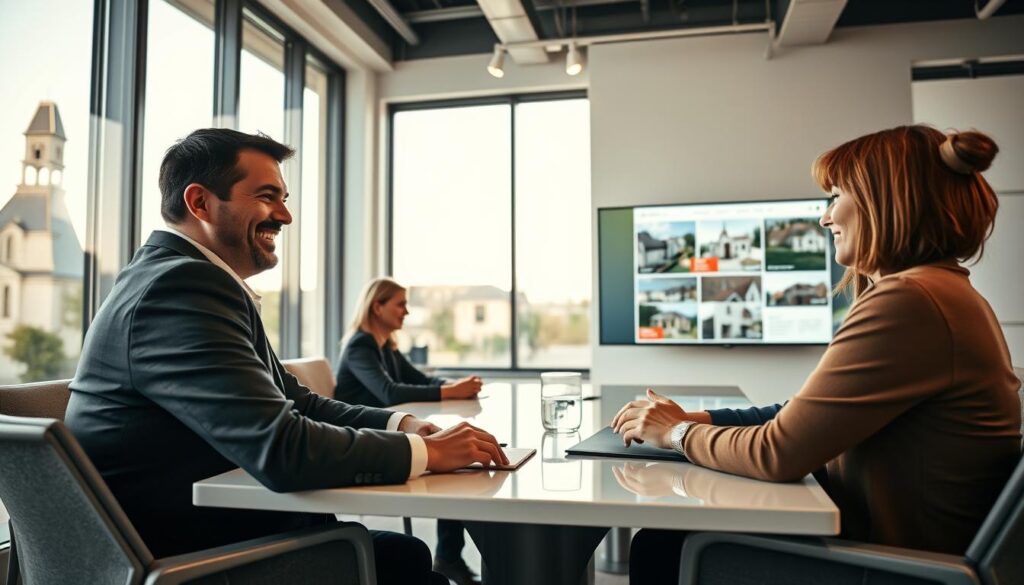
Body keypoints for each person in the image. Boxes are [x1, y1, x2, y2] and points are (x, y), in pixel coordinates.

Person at [65, 128, 507, 585]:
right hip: (191, 560)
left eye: (284, 197)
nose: (286, 215)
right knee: (406, 563)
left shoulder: (180, 278)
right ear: (200, 203)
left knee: (405, 555)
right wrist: (427, 453)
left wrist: (405, 426)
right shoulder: (180, 288)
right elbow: (282, 448)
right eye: (267, 196)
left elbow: (300, 402)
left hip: (209, 534)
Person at [611, 126, 1021, 583]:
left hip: (892, 569)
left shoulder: (912, 300)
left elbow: (777, 452)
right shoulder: (938, 292)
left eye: (837, 195)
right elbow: (798, 417)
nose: (826, 218)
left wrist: (676, 433)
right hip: (896, 551)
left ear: (885, 198)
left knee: (661, 545)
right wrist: (695, 418)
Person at [336, 277, 483, 585]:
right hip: (363, 440)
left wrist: (452, 386)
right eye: (400, 304)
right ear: (377, 307)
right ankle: (450, 556)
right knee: (453, 461)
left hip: (387, 431)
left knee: (455, 452)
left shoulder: (385, 346)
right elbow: (389, 393)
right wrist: (450, 392)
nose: (407, 312)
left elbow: (419, 379)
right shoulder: (360, 345)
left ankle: (449, 555)